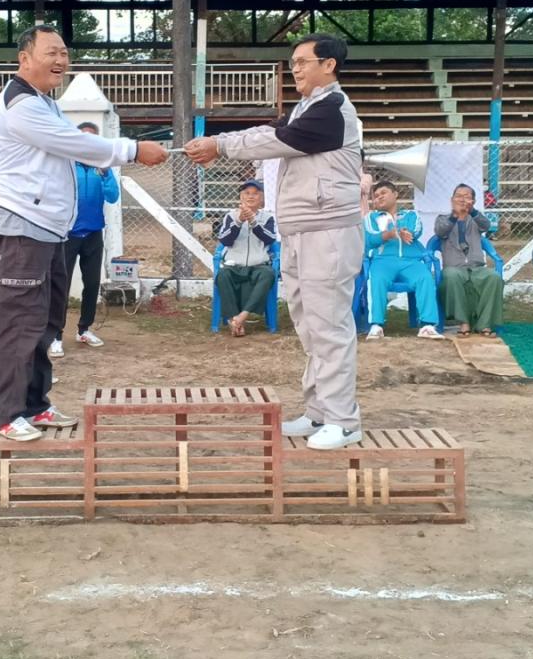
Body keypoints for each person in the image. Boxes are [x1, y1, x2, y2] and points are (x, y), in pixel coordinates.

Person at [0, 26, 166, 441]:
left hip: (50, 230)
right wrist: (133, 150)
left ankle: (35, 404)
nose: (61, 61)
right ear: (24, 58)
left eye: (64, 53)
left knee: (45, 321)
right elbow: (74, 144)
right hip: (22, 228)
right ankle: (6, 413)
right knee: (18, 323)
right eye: (51, 52)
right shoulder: (19, 103)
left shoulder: (44, 101)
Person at [186, 34, 366, 450]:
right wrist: (220, 143)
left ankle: (343, 420)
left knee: (329, 326)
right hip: (300, 230)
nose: (295, 68)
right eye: (293, 62)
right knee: (308, 324)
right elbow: (268, 129)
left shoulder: (332, 109)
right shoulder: (306, 108)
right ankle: (319, 412)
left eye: (303, 61)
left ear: (329, 65)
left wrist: (219, 145)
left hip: (328, 232)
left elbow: (275, 141)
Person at [50, 121, 119, 357]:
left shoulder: (102, 167)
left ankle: (84, 329)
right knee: (61, 285)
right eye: (83, 137)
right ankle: (55, 335)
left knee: (91, 284)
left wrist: (106, 172)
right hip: (68, 235)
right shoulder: (66, 165)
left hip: (93, 234)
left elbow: (113, 197)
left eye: (92, 137)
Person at [362, 180, 445, 341]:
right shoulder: (371, 217)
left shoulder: (410, 215)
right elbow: (370, 240)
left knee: (424, 277)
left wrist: (406, 232)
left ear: (395, 194)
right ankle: (376, 325)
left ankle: (427, 325)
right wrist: (390, 234)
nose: (379, 197)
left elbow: (417, 230)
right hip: (383, 261)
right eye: (376, 196)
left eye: (383, 193)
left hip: (410, 261)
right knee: (377, 279)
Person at [436, 184, 504, 337]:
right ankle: (463, 322)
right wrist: (454, 215)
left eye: (466, 196)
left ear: (473, 201)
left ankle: (484, 324)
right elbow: (441, 232)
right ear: (452, 200)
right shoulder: (442, 219)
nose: (462, 199)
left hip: (476, 267)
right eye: (458, 196)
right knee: (451, 276)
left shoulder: (476, 219)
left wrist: (472, 211)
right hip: (454, 267)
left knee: (493, 278)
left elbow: (486, 225)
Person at [214, 179, 279, 337]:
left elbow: (269, 239)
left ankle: (242, 317)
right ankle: (234, 319)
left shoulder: (268, 218)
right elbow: (225, 240)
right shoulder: (231, 216)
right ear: (241, 197)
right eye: (247, 193)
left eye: (255, 194)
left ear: (261, 199)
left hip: (258, 265)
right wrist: (239, 221)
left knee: (268, 274)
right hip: (234, 265)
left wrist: (254, 222)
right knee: (222, 275)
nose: (251, 196)